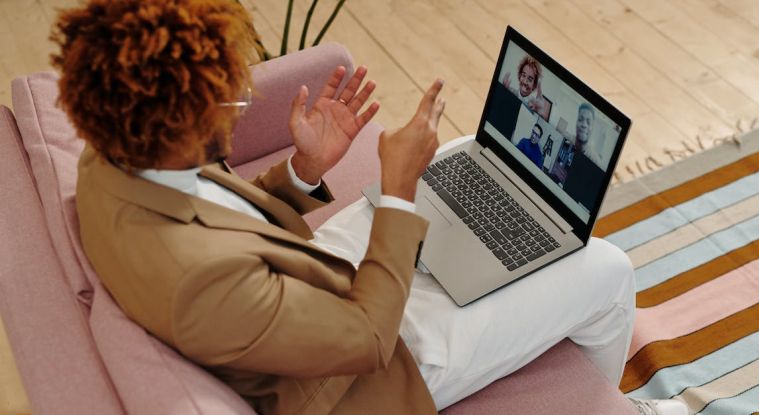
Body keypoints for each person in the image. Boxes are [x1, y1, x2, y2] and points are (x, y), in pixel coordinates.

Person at [51, 1, 685, 414]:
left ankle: (475, 250)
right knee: (607, 269)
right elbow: (368, 339)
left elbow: (219, 215)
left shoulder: (109, 157)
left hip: (300, 284)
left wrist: (306, 168)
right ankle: (616, 407)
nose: (241, 98)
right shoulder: (199, 286)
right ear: (180, 125)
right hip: (368, 373)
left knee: (467, 151)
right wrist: (399, 194)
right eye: (227, 100)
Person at [501, 54, 551, 118]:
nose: (525, 82)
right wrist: (503, 90)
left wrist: (538, 112)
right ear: (519, 76)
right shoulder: (510, 91)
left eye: (530, 79)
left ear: (534, 85)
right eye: (523, 75)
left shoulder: (534, 104)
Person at [574, 102, 606, 168]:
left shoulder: (596, 162)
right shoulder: (565, 138)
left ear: (592, 128)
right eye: (580, 119)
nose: (584, 125)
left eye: (588, 122)